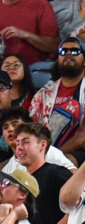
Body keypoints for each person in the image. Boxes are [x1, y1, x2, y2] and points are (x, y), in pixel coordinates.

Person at [28, 36, 85, 166]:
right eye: (63, 52)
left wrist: (52, 154)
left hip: (76, 152)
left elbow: (83, 137)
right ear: (58, 60)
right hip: (44, 149)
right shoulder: (44, 92)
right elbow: (32, 128)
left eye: (75, 51)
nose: (69, 54)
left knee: (67, 160)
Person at [12, 122, 73, 224]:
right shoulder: (21, 183)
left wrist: (67, 219)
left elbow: (81, 195)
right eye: (17, 143)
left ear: (43, 145)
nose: (19, 148)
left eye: (26, 142)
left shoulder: (54, 172)